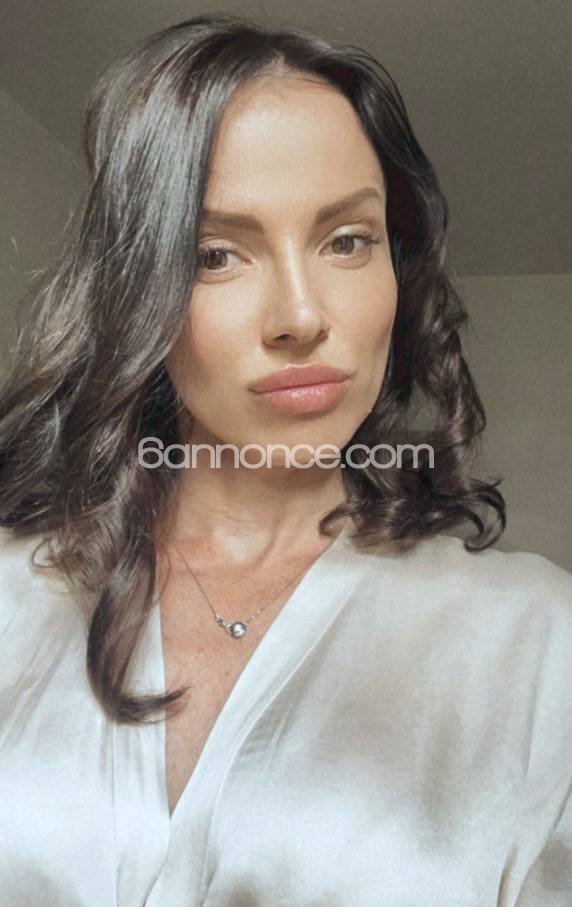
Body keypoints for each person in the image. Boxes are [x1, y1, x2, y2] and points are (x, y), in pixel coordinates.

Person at [0, 13, 570, 906]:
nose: (301, 316)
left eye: (347, 240)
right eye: (216, 254)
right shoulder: (14, 591)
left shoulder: (538, 642)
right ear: (137, 290)